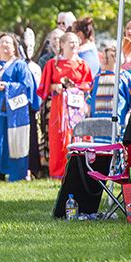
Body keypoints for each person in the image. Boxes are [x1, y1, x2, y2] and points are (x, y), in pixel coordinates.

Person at [37, 31, 92, 179]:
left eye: (76, 42)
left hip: (77, 108)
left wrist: (77, 87)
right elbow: (44, 88)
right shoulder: (52, 64)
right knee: (59, 137)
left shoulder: (82, 65)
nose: (74, 45)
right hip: (59, 108)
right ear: (62, 45)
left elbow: (89, 84)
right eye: (70, 42)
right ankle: (58, 172)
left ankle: (78, 170)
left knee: (78, 136)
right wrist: (56, 87)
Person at [0, 33, 39, 182]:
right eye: (2, 42)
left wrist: (8, 87)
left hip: (14, 113)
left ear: (15, 47)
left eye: (8, 43)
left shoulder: (19, 65)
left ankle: (16, 173)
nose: (4, 45)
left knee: (14, 141)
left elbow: (27, 86)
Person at [89, 44, 131, 125]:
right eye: (104, 58)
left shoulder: (125, 78)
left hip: (117, 126)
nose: (104, 61)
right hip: (97, 126)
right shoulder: (97, 78)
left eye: (108, 58)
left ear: (116, 59)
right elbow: (90, 98)